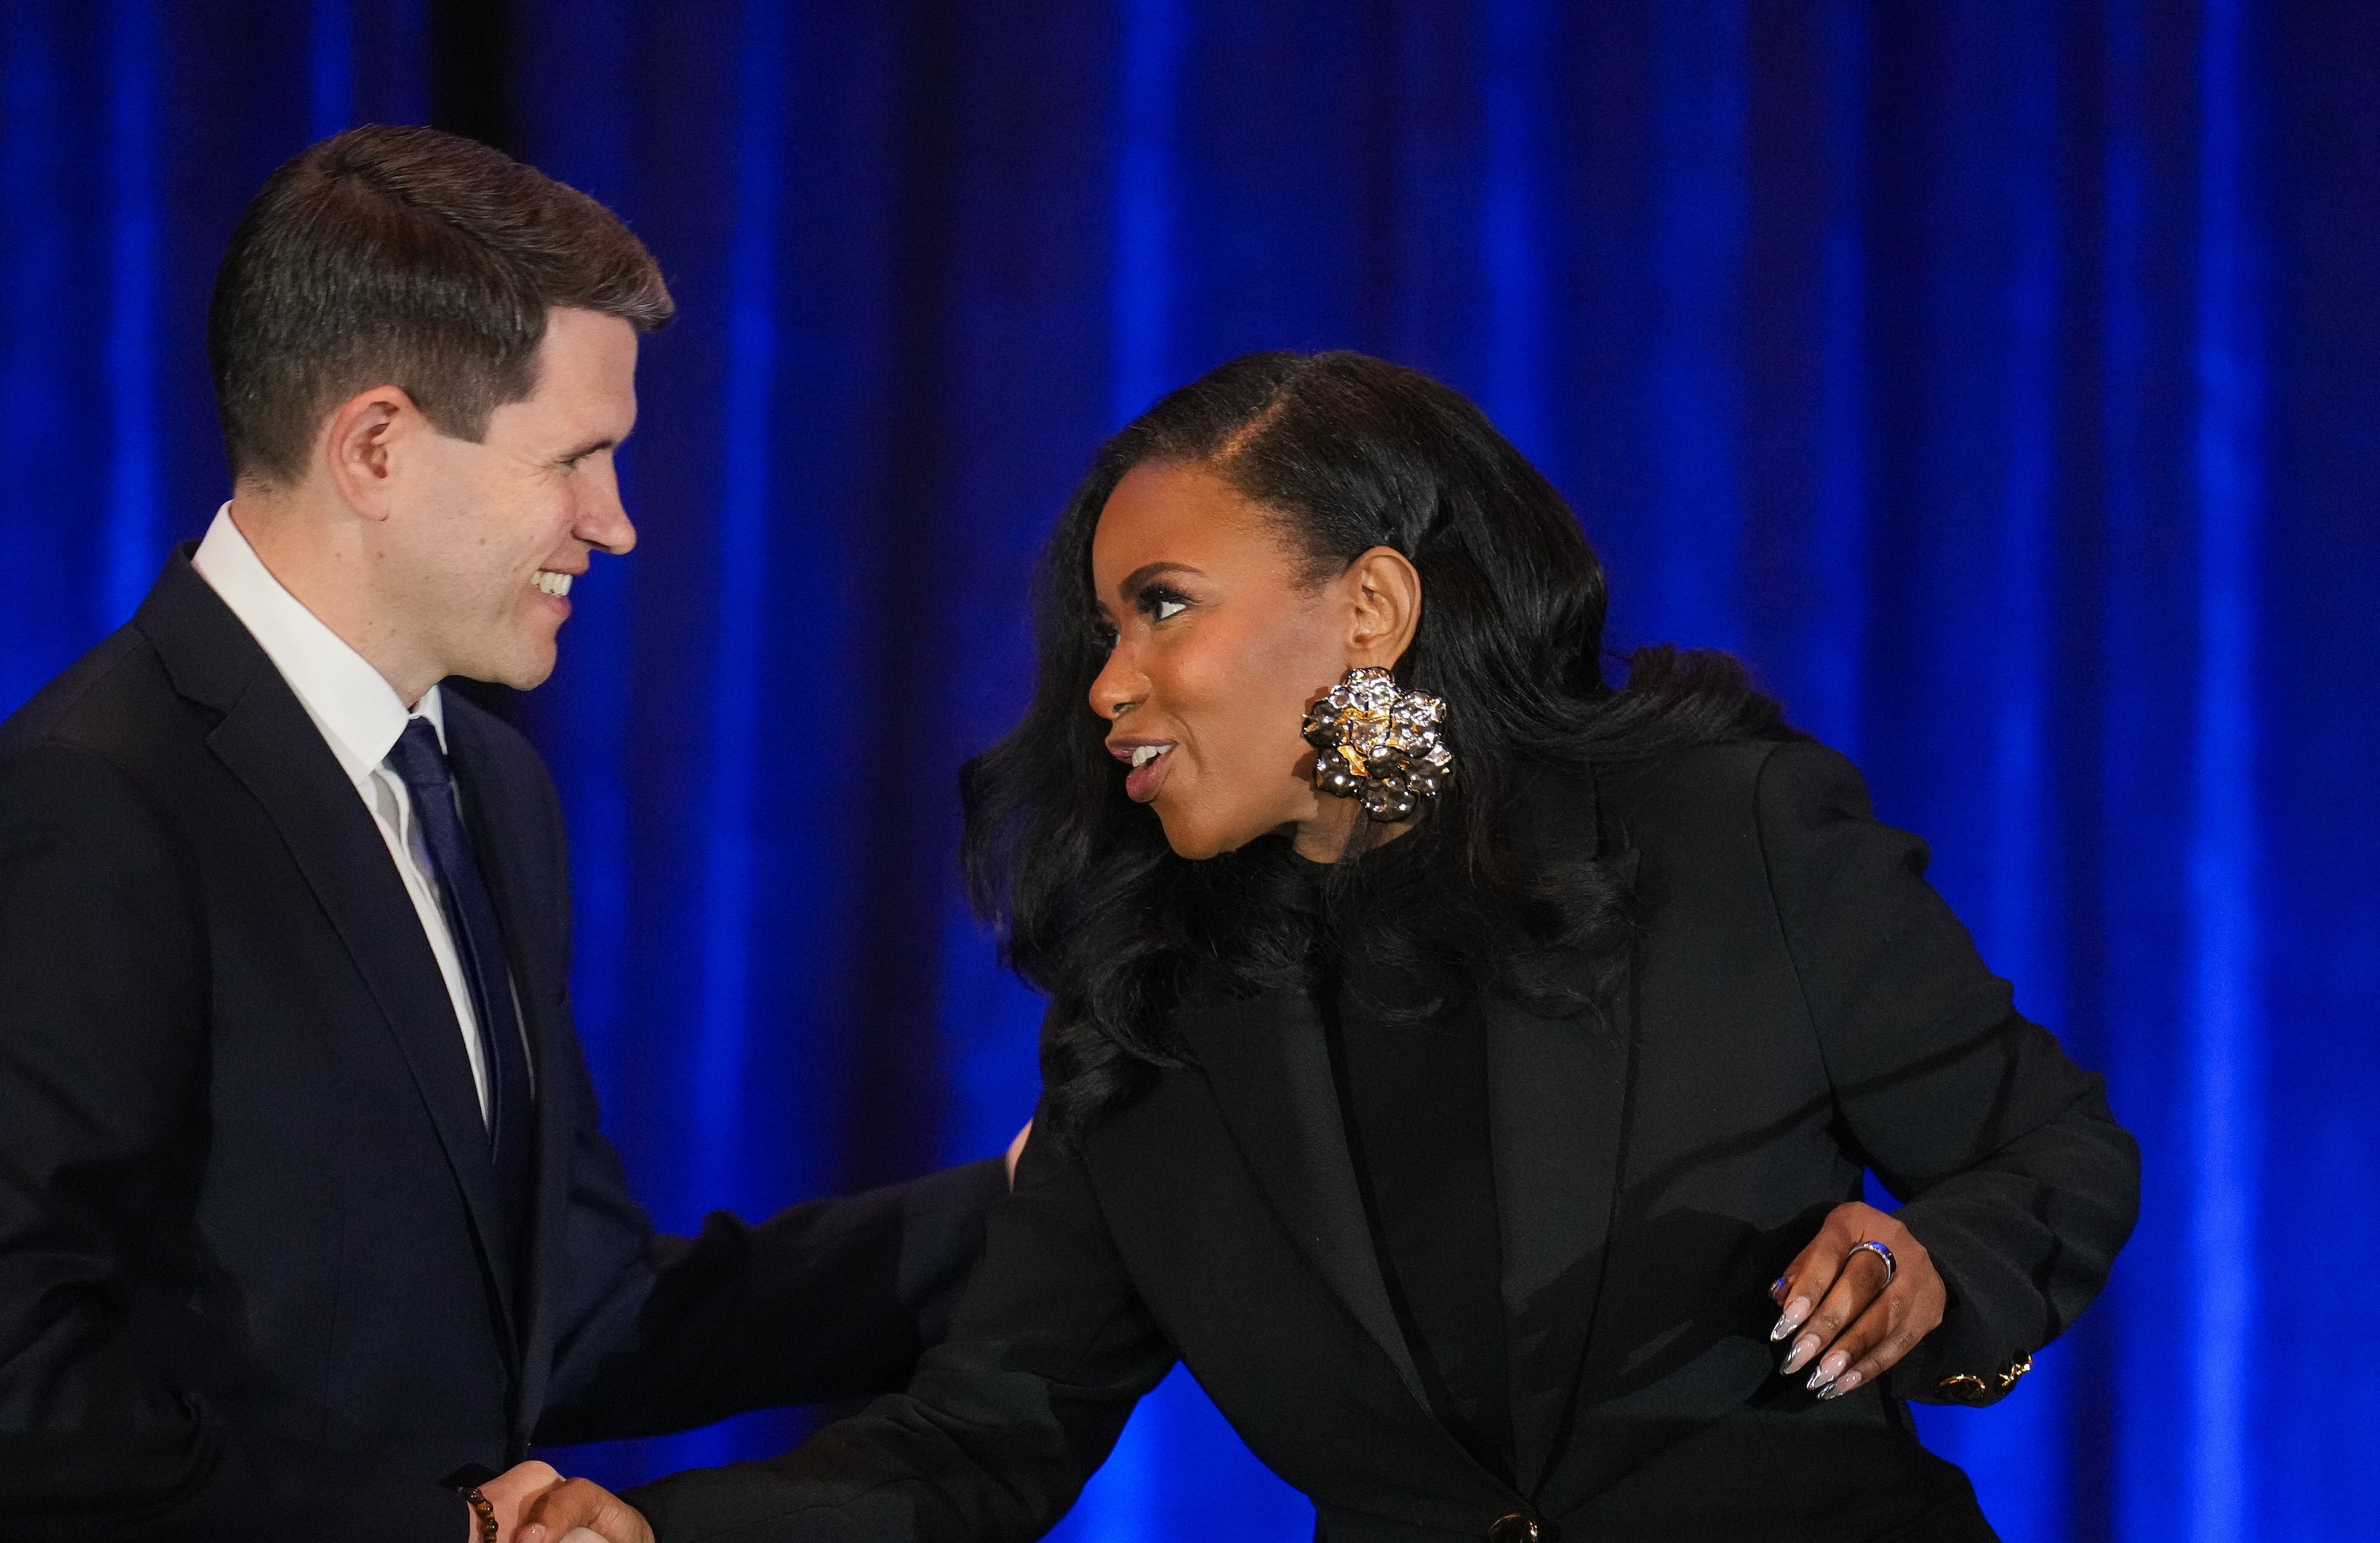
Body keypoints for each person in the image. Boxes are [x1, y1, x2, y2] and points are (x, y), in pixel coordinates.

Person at [527, 351, 2142, 1542]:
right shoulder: (1150, 1008)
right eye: (1101, 631)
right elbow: (986, 1436)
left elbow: (2050, 1150)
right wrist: (658, 1535)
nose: (1106, 683)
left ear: (1369, 610)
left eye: (1162, 605)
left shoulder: (1725, 834)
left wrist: (1936, 1270)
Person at [0, 125, 1021, 1543]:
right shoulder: (91, 804)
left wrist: (1025, 1210)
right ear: (376, 447)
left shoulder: (488, 790)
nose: (616, 524)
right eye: (576, 459)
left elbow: (581, 1314)